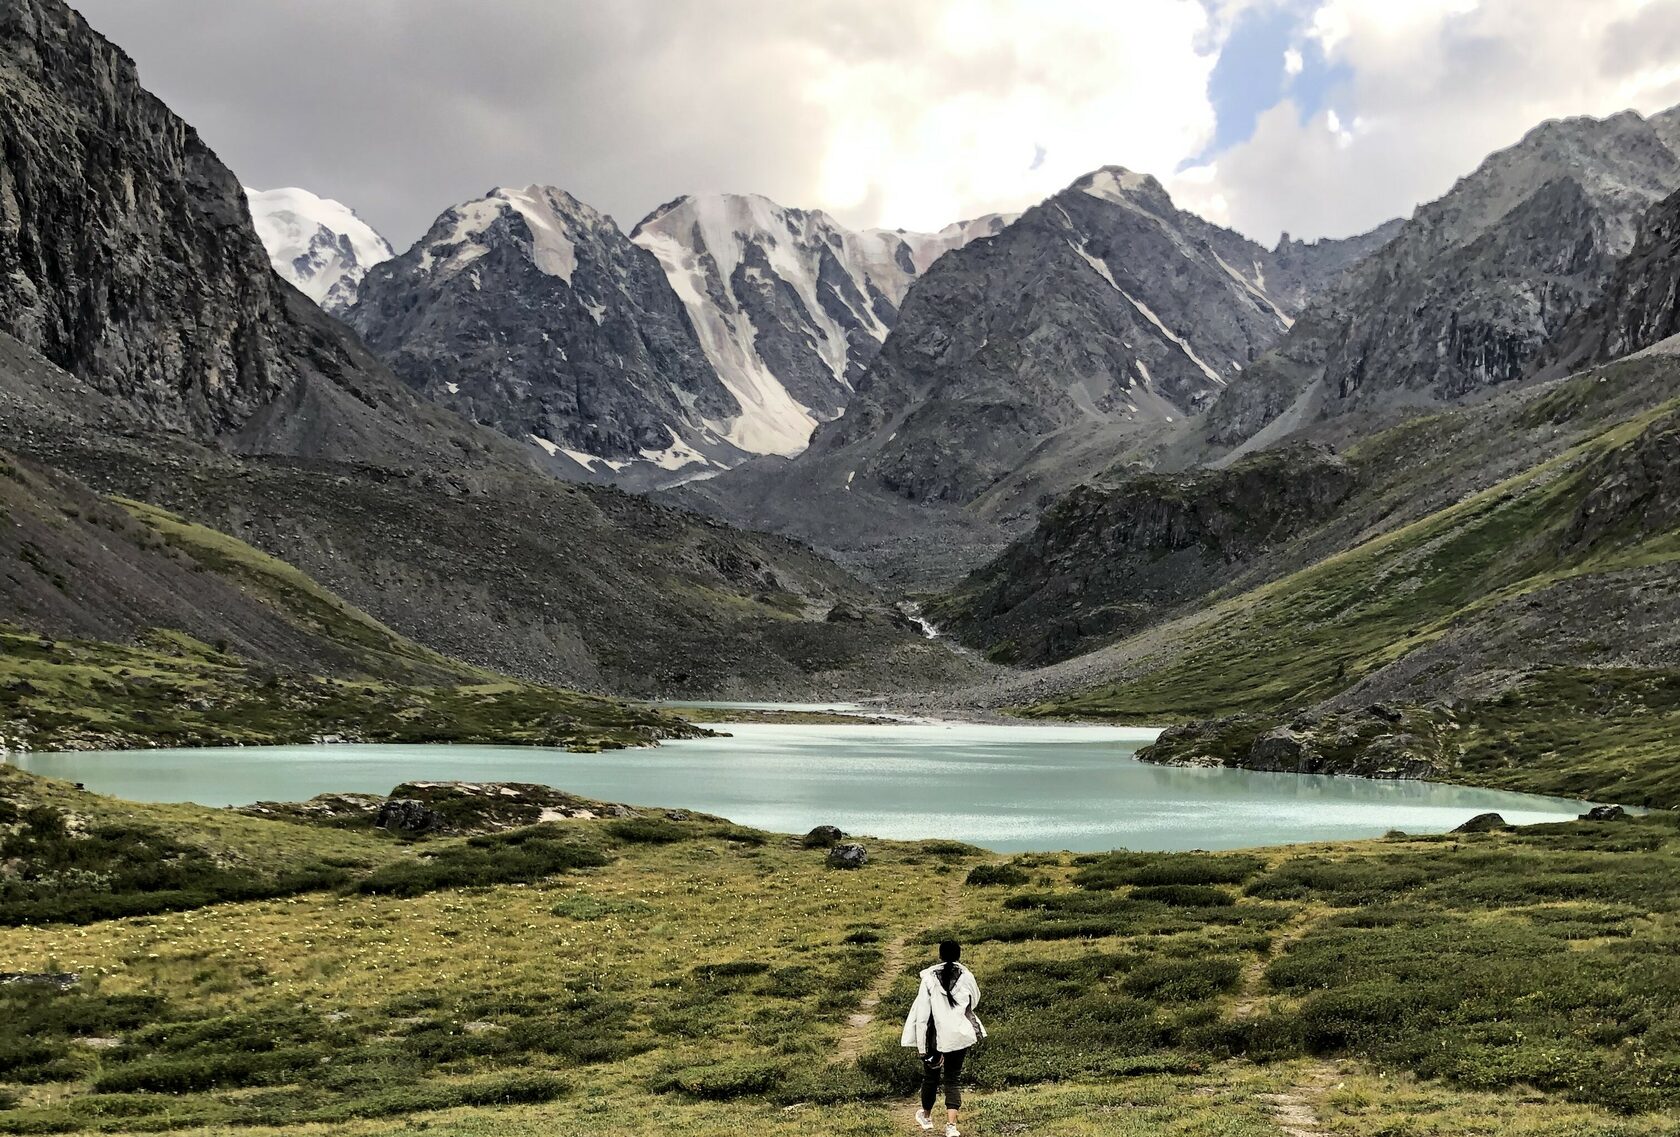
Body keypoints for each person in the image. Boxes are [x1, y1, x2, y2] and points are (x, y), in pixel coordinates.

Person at [900, 939, 984, 1136]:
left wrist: (922, 1046)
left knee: (931, 1077)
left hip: (935, 1037)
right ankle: (951, 1126)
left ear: (940, 955)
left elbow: (922, 1015)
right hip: (959, 1035)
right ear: (958, 955)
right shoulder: (967, 976)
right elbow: (975, 998)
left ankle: (927, 1116)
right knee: (952, 1079)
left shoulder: (929, 978)